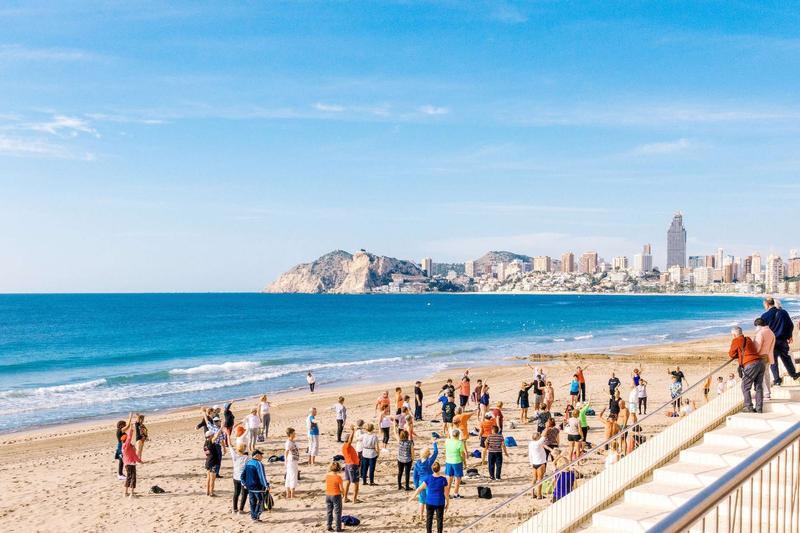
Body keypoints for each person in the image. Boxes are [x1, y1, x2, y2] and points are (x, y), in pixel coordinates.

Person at [761, 297, 799, 385]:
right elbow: (790, 325)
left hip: (771, 342)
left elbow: (763, 331)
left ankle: (777, 380)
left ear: (767, 304)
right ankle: (793, 374)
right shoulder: (783, 312)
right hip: (782, 340)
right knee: (786, 358)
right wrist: (789, 336)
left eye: (764, 305)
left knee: (773, 361)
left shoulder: (764, 316)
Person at [728, 326, 765, 413]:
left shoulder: (736, 340)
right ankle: (759, 408)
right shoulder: (748, 339)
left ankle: (749, 407)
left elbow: (731, 354)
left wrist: (738, 355)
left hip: (750, 364)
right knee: (758, 386)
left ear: (734, 335)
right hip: (760, 362)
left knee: (745, 386)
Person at [410, 462, 450, 533]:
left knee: (429, 519)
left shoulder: (428, 478)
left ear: (432, 469)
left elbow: (419, 488)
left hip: (430, 502)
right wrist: (448, 502)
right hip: (439, 502)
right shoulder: (443, 479)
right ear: (440, 469)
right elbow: (446, 493)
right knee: (439, 520)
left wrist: (413, 496)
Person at [413, 438, 439, 521]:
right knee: (430, 499)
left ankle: (421, 516)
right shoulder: (429, 461)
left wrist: (416, 485)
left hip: (421, 482)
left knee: (421, 500)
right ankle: (429, 515)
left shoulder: (417, 463)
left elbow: (415, 476)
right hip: (429, 482)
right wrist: (434, 443)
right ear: (428, 454)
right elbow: (436, 453)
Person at [241, 449, 269, 523]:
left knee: (252, 502)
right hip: (257, 487)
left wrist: (244, 483)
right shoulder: (258, 464)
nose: (262, 457)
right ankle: (256, 516)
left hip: (249, 487)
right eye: (261, 455)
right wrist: (266, 485)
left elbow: (242, 475)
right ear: (257, 456)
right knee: (261, 501)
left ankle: (253, 517)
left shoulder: (248, 462)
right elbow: (262, 476)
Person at [754, 317, 776, 400]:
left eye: (756, 326)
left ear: (758, 325)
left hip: (761, 356)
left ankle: (765, 393)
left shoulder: (761, 333)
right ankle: (768, 392)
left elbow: (757, 346)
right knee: (766, 375)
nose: (755, 328)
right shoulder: (770, 332)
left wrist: (754, 354)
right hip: (768, 356)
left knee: (761, 376)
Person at [120, 413, 142, 497]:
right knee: (133, 478)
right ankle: (132, 493)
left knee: (128, 477)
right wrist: (131, 430)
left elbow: (133, 455)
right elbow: (134, 456)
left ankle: (125, 492)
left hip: (126, 464)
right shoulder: (127, 446)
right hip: (131, 464)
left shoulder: (123, 447)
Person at [444, 428, 466, 498]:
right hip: (457, 461)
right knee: (457, 478)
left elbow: (445, 450)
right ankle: (455, 493)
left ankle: (447, 493)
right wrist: (464, 461)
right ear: (458, 435)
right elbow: (462, 454)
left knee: (449, 478)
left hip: (448, 461)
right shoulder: (460, 443)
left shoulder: (447, 441)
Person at [528, 432, 551, 499]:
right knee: (540, 480)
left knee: (534, 479)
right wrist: (547, 427)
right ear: (538, 438)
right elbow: (544, 436)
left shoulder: (531, 444)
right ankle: (539, 495)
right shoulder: (538, 443)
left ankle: (532, 494)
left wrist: (531, 463)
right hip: (540, 463)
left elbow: (530, 454)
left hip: (534, 463)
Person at [342, 427, 361, 503]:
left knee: (347, 481)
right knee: (356, 483)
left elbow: (349, 441)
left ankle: (345, 498)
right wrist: (353, 432)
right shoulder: (347, 446)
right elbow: (350, 440)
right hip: (352, 465)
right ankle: (354, 499)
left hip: (348, 465)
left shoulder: (345, 446)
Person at [229, 443, 249, 514]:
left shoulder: (235, 455)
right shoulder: (246, 457)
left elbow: (230, 447)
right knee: (244, 494)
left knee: (236, 493)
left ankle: (235, 509)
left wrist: (228, 438)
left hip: (235, 477)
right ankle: (241, 510)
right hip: (243, 478)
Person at [325, 462, 344, 532]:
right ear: (339, 469)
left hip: (328, 495)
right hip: (336, 495)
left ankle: (329, 526)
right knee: (337, 512)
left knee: (329, 511)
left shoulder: (327, 476)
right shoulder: (338, 477)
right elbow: (341, 488)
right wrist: (343, 494)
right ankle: (338, 528)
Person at [204, 429, 222, 496]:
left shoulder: (205, 443)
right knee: (212, 478)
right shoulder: (210, 441)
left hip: (208, 461)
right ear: (210, 436)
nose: (213, 436)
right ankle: (211, 492)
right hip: (213, 462)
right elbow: (216, 436)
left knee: (208, 478)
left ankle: (207, 491)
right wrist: (221, 428)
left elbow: (206, 453)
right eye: (212, 435)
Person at [284, 427, 300, 498]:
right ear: (290, 434)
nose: (295, 434)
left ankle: (288, 494)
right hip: (291, 461)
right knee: (292, 476)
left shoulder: (292, 441)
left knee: (289, 476)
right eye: (293, 433)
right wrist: (286, 461)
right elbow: (286, 452)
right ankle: (292, 494)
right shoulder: (288, 442)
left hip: (293, 460)